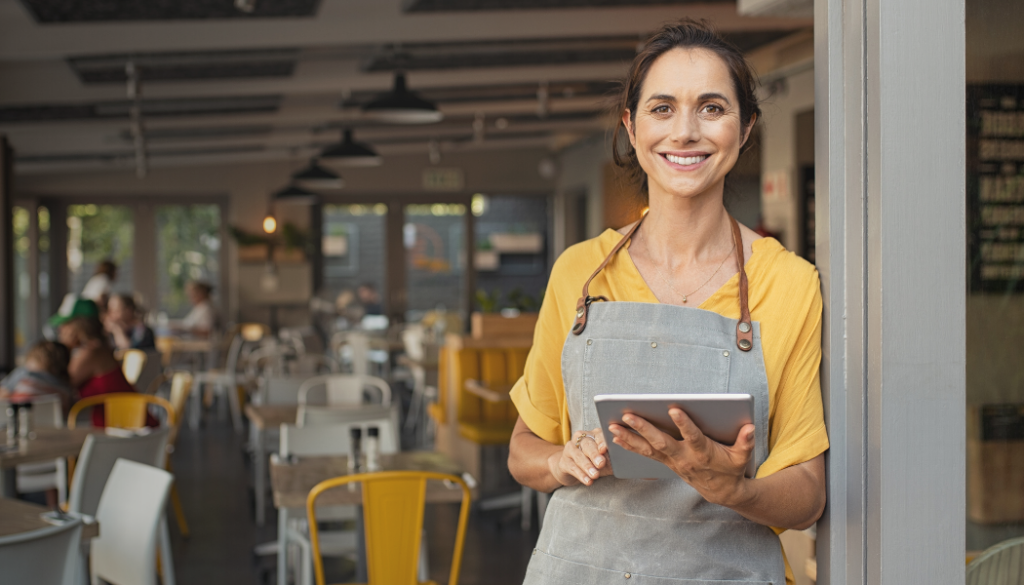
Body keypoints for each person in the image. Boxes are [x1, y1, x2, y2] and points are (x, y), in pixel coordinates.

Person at [507, 20, 828, 585]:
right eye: (661, 108)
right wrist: (560, 461)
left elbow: (806, 495)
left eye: (711, 108)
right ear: (631, 127)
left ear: (745, 127)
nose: (685, 131)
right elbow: (523, 449)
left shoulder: (789, 284)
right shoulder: (579, 274)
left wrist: (735, 489)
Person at [59, 316, 148, 428]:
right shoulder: (98, 348)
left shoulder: (91, 352)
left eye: (65, 330)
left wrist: (63, 348)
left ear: (76, 330)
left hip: (129, 426)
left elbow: (62, 382)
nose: (61, 334)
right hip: (120, 424)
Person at [0, 340, 73, 410]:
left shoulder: (24, 374)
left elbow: (3, 396)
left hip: (20, 418)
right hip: (51, 422)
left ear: (33, 359)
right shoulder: (66, 391)